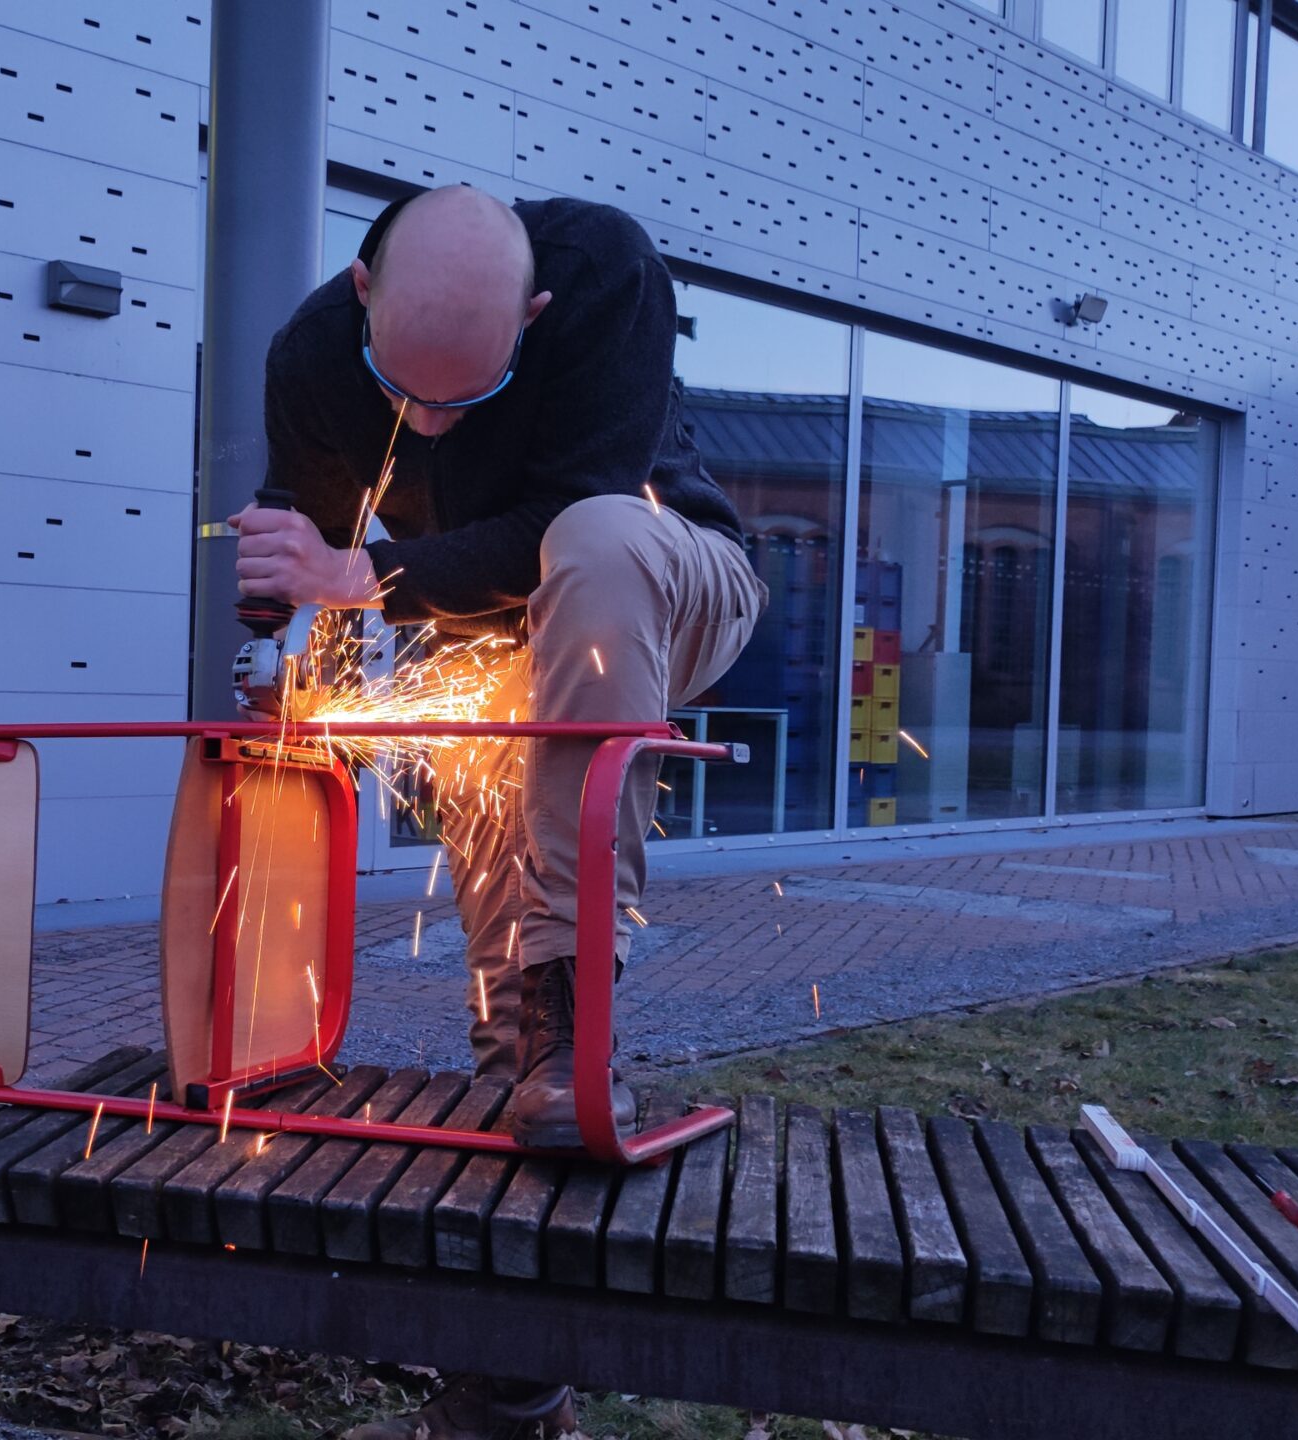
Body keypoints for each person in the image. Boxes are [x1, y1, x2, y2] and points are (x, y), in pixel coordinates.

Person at [227, 185, 762, 1440]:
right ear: (360, 294)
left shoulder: (607, 274)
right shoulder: (310, 354)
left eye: (460, 400)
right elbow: (300, 539)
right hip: (496, 650)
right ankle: (511, 1384)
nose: (422, 422)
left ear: (532, 313)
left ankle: (581, 999)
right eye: (400, 388)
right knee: (512, 1047)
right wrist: (274, 653)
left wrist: (366, 575)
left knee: (591, 538)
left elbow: (555, 529)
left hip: (666, 581)